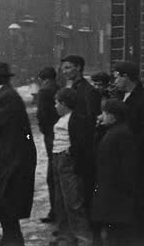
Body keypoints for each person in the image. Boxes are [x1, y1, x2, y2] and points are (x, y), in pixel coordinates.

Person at [0, 62, 37, 246]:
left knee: (5, 197)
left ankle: (13, 239)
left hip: (8, 157)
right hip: (10, 155)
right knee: (6, 197)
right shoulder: (7, 95)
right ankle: (11, 237)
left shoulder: (5, 97)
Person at [111, 61, 144, 245]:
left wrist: (131, 153)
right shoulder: (123, 97)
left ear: (126, 77)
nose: (114, 80)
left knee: (138, 205)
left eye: (117, 76)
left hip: (136, 163)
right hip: (122, 162)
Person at [49, 87, 94, 246]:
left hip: (68, 161)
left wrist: (71, 151)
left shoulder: (77, 118)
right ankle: (65, 236)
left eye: (56, 103)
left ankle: (83, 238)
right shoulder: (62, 119)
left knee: (73, 201)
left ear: (64, 104)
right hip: (57, 158)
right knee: (60, 200)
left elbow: (84, 140)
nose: (55, 106)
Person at [91, 99, 138, 246]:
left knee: (116, 235)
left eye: (104, 113)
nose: (101, 116)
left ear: (113, 116)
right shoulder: (114, 131)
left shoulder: (121, 133)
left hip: (115, 191)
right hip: (111, 189)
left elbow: (126, 165)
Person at [60, 55, 100, 207]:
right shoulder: (71, 89)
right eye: (63, 68)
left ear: (79, 68)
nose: (65, 72)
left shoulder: (89, 92)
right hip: (72, 145)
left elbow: (90, 123)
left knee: (85, 189)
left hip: (83, 149)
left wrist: (79, 146)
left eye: (68, 67)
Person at [36, 66, 60, 224]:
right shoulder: (58, 88)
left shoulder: (44, 91)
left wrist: (45, 131)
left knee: (53, 174)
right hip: (59, 131)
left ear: (41, 78)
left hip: (51, 134)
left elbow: (42, 114)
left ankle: (55, 212)